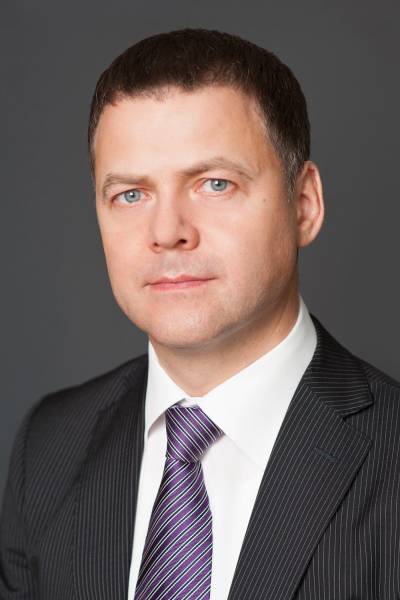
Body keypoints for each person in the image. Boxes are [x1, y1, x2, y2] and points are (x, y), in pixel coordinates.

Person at [1, 27, 399, 600]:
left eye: (215, 184)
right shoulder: (48, 446)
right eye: (131, 194)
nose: (167, 232)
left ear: (304, 204)